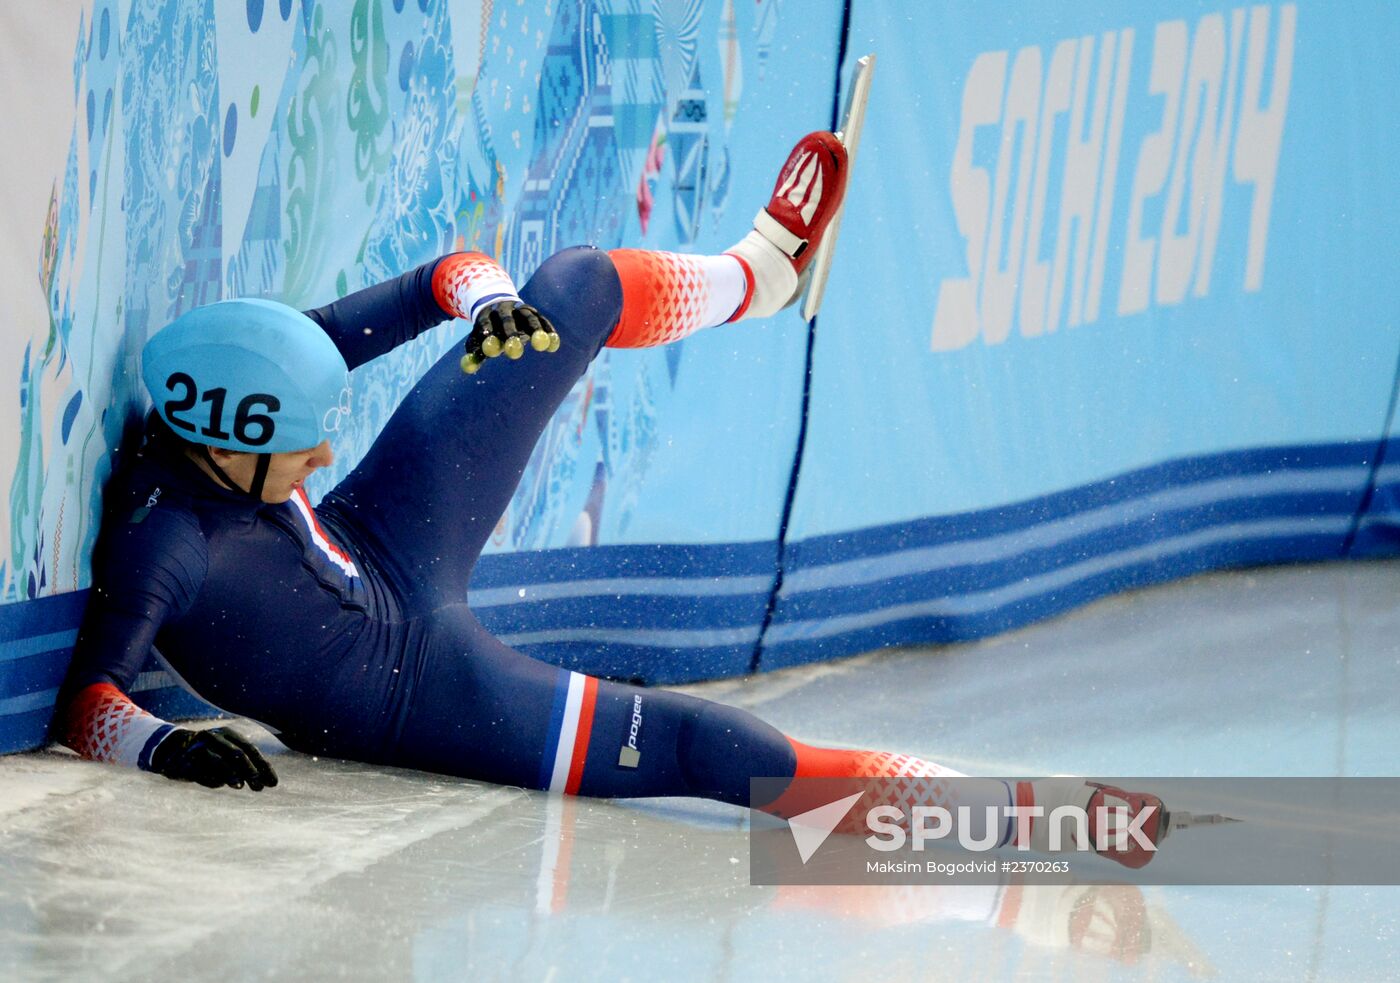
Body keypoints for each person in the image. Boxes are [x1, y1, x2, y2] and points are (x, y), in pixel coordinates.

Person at [53, 132, 1164, 868]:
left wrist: (486, 302)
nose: (324, 441)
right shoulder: (165, 547)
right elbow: (87, 702)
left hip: (382, 534)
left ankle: (760, 272)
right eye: (301, 443)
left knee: (569, 289)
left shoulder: (254, 380)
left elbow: (437, 279)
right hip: (411, 687)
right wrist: (161, 746)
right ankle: (1014, 819)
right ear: (229, 446)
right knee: (694, 743)